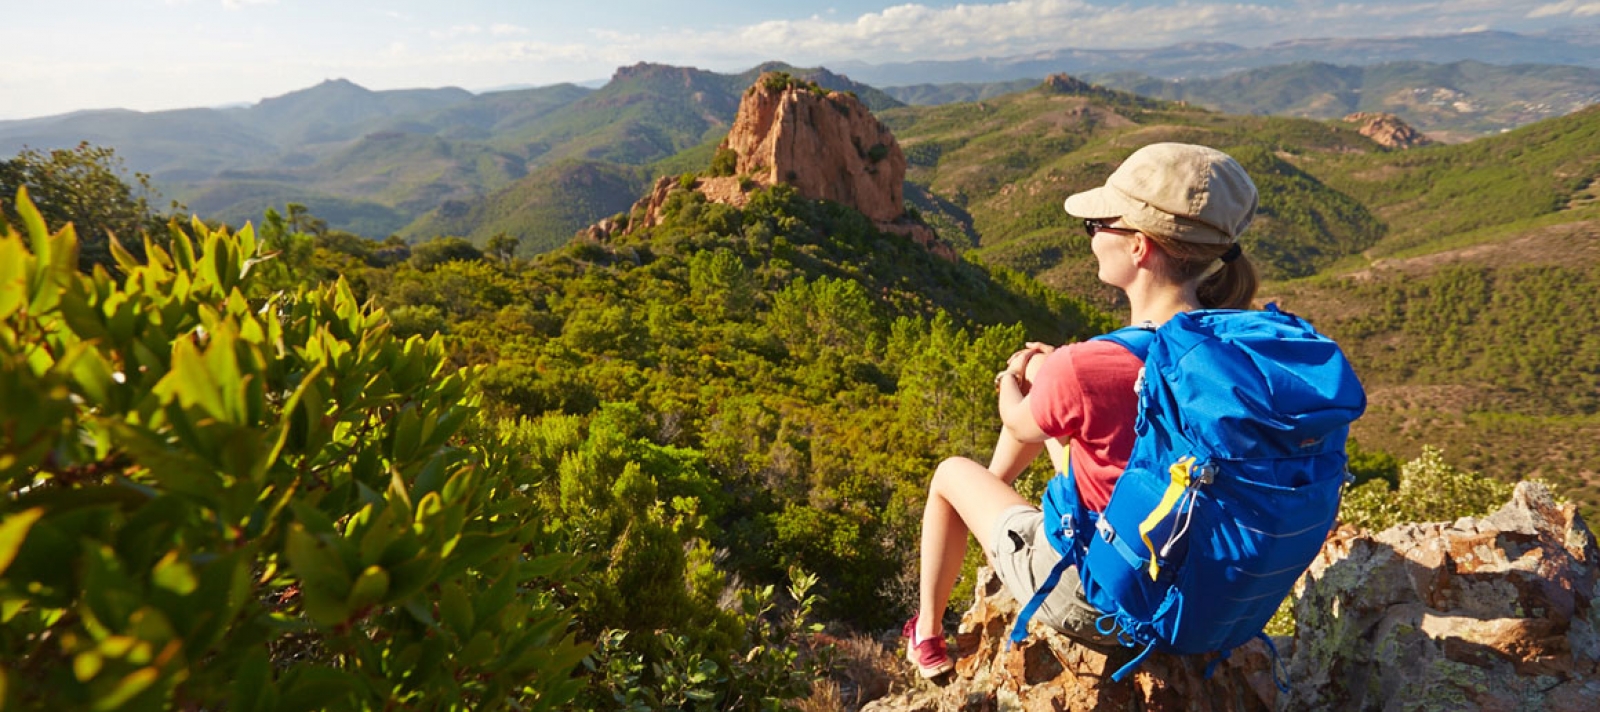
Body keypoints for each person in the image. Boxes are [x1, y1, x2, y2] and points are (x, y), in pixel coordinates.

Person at [903, 142, 1261, 677]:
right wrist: (1059, 371)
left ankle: (926, 634)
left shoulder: (1087, 366)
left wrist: (1016, 374)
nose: (1092, 237)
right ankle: (989, 518)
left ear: (1139, 246)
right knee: (1054, 385)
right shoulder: (1238, 348)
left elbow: (1017, 419)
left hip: (1104, 604)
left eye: (1097, 225)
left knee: (952, 473)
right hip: (1204, 593)